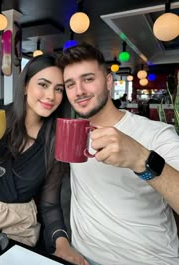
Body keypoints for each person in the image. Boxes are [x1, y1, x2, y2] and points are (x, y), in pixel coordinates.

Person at [0, 54, 87, 265]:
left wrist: (62, 242)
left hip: (17, 226)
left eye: (58, 89)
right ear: (24, 87)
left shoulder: (55, 140)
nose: (51, 96)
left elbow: (50, 205)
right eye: (43, 84)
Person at [57, 43, 179, 265]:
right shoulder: (72, 133)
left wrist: (142, 159)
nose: (79, 91)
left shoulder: (156, 133)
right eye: (70, 84)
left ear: (109, 82)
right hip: (82, 256)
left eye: (88, 79)